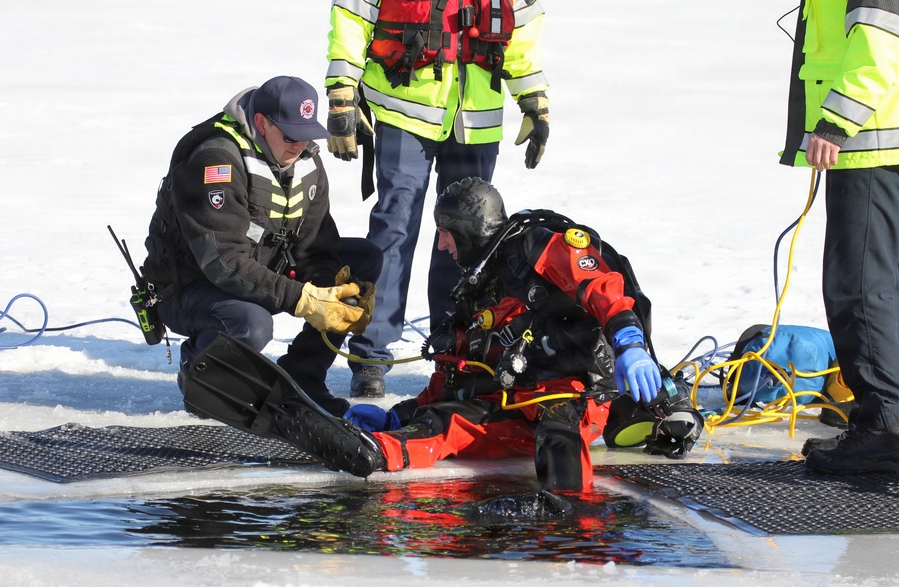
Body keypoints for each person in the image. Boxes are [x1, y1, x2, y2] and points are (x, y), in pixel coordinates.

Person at [266, 178, 703, 491]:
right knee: (445, 420)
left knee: (555, 427)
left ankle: (573, 524)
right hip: (515, 403)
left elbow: (602, 287)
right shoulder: (472, 291)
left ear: (466, 230)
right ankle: (375, 444)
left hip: (581, 395)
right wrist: (399, 414)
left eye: (444, 234)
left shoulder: (538, 246)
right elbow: (453, 375)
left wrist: (629, 344)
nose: (441, 246)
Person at [324, 0, 550, 399]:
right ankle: (370, 356)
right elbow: (353, 15)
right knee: (394, 227)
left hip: (476, 118)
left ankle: (455, 346)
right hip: (402, 107)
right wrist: (342, 94)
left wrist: (534, 99)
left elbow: (524, 30)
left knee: (470, 239)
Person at [141, 76, 382, 417]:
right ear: (261, 123)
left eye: (306, 133)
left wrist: (335, 294)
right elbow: (223, 262)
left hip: (261, 265)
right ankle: (201, 375)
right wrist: (302, 299)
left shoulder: (307, 162)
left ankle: (304, 377)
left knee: (363, 261)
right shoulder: (215, 161)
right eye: (290, 135)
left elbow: (315, 246)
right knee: (252, 324)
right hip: (191, 284)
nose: (299, 144)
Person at [780, 2, 899, 474]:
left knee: (857, 284)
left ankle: (882, 427)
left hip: (873, 136)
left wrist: (838, 120)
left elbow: (876, 37)